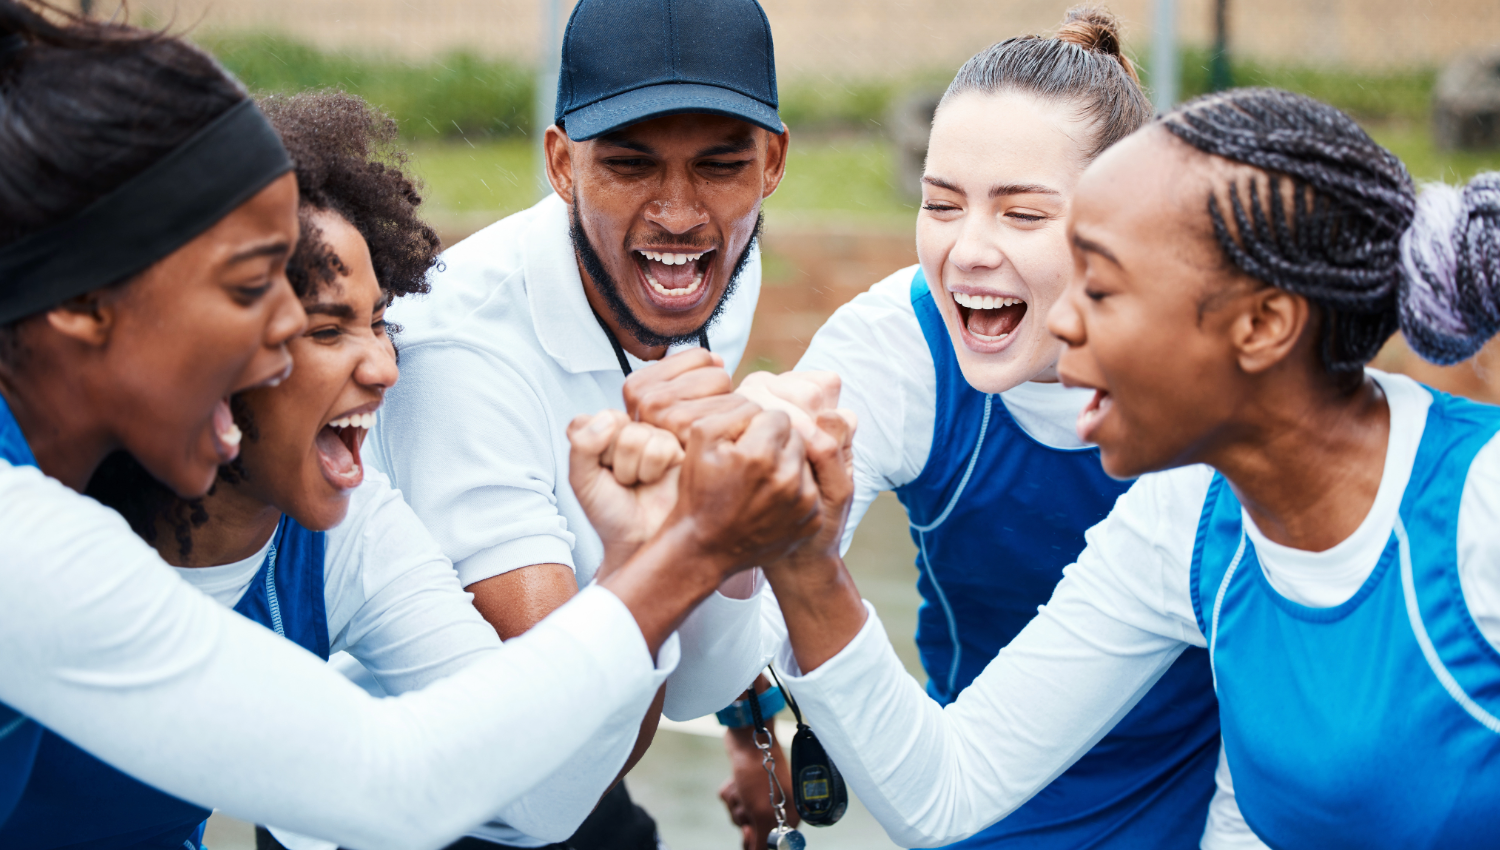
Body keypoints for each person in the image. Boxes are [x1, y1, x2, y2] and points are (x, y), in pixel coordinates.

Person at [0, 4, 822, 848]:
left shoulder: (349, 524)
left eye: (373, 321)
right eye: (252, 291)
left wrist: (660, 571)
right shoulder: (26, 539)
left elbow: (531, 801)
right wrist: (676, 558)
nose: (386, 366)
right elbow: (397, 780)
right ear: (85, 305)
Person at [753, 87, 1500, 849]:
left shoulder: (1478, 507)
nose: (1066, 318)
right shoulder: (1185, 517)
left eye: (1103, 288)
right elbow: (950, 786)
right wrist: (805, 560)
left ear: (1263, 324)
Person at [725, 10, 1220, 848]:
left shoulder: (1219, 383)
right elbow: (749, 626)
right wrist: (736, 550)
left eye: (1023, 214)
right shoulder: (892, 348)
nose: (968, 251)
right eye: (941, 204)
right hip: (978, 807)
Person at [369, 0, 794, 844]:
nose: (679, 215)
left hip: (582, 774)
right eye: (631, 166)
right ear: (561, 163)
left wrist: (738, 581)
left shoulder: (708, 277)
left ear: (772, 162)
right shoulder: (458, 357)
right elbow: (544, 763)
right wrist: (686, 544)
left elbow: (698, 683)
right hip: (409, 806)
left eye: (719, 165)